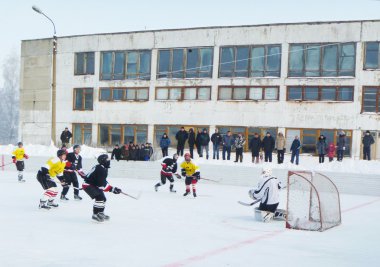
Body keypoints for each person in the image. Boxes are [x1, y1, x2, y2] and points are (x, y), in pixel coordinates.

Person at [82, 154, 122, 222]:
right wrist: (112, 189)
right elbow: (101, 183)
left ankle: (100, 213)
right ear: (103, 161)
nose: (109, 161)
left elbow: (103, 181)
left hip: (94, 185)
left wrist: (112, 188)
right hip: (88, 185)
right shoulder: (100, 169)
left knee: (103, 199)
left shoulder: (103, 168)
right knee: (99, 198)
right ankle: (95, 215)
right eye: (107, 159)